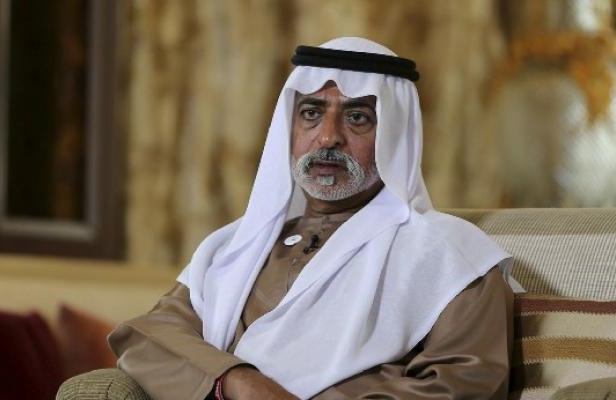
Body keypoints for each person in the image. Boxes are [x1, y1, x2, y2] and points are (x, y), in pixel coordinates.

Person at [109, 37, 514, 400]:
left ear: (394, 136)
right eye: (311, 113)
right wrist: (239, 383)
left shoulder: (451, 254)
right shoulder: (230, 247)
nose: (328, 136)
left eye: (357, 117)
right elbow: (148, 338)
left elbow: (464, 385)